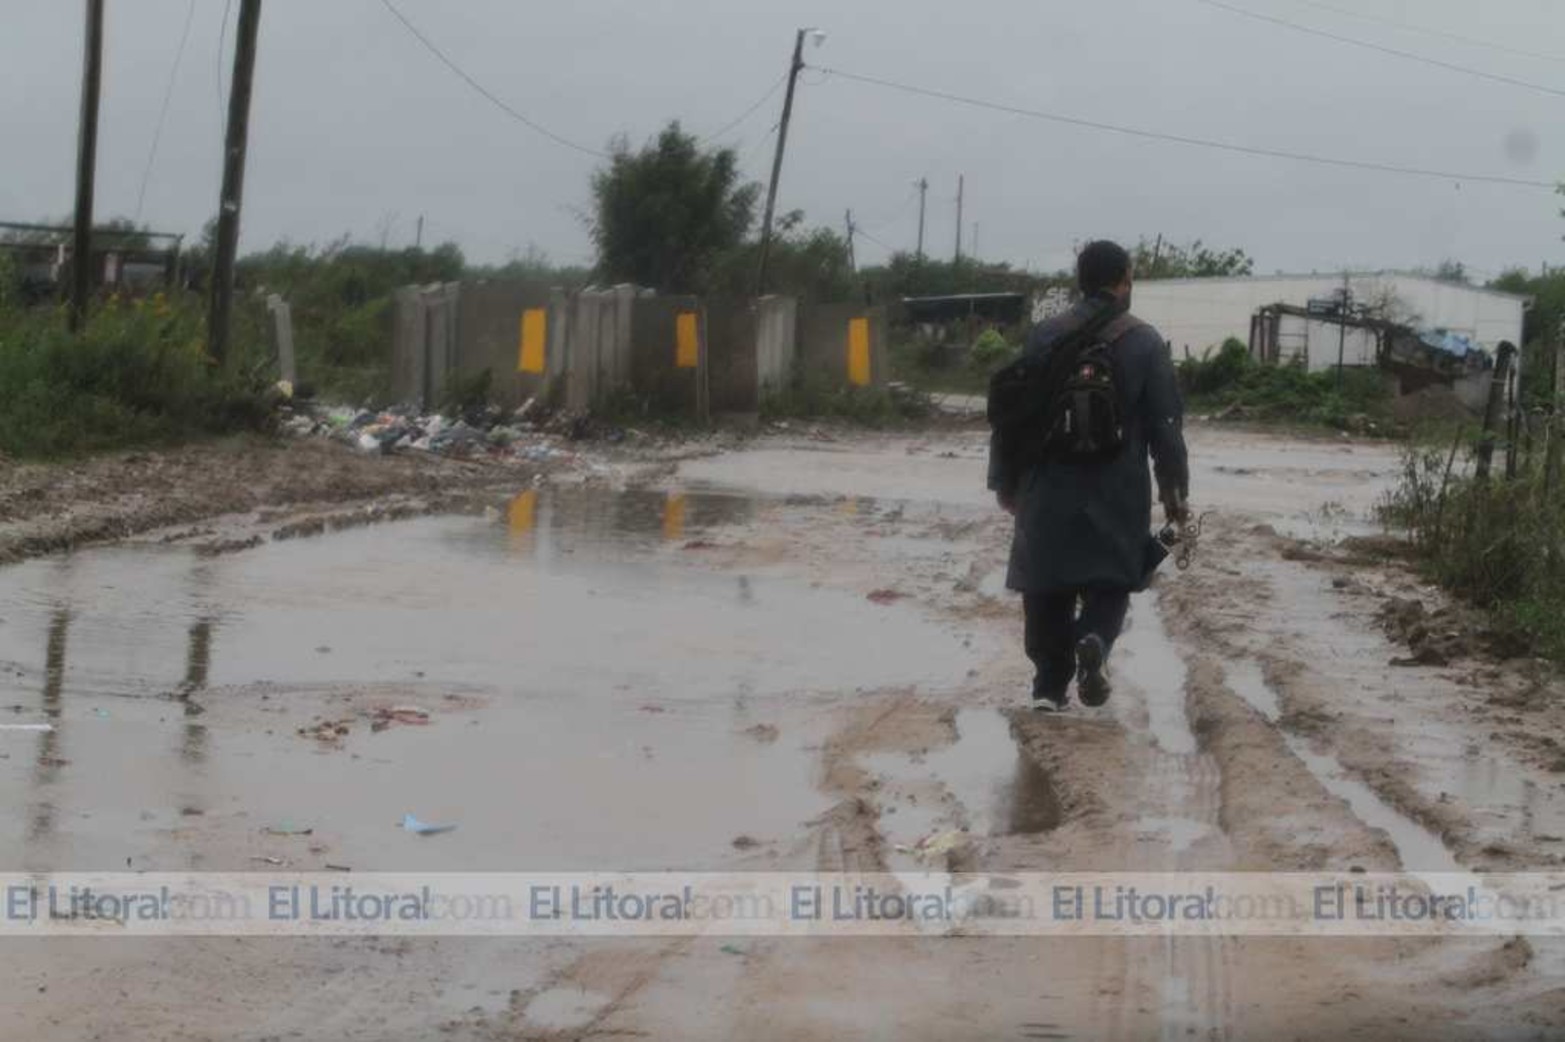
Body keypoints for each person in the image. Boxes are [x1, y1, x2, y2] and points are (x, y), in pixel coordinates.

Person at [987, 240, 1190, 712]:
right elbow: (1166, 425)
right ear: (1123, 281)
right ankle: (1094, 639)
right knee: (1112, 579)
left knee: (1045, 582)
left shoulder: (1044, 336)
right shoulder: (1144, 341)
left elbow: (1011, 412)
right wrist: (1175, 494)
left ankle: (1047, 688)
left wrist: (1004, 482)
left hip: (1047, 482)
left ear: (1081, 280)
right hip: (1117, 486)